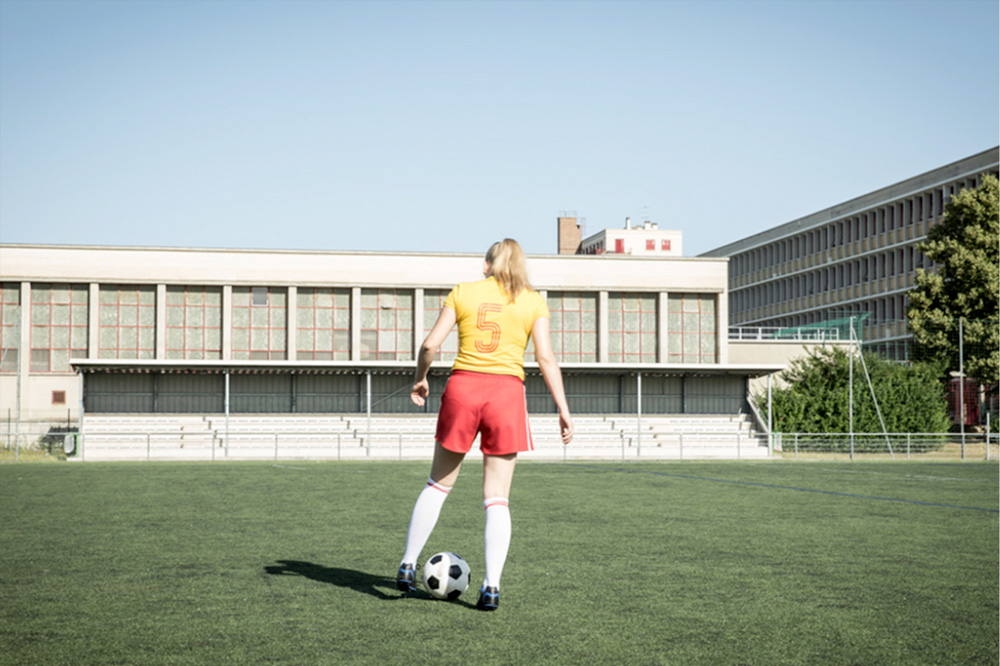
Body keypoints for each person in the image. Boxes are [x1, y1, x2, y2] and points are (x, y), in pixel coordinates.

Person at [395, 238, 574, 611]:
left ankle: (408, 565)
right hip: (507, 395)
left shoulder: (463, 292)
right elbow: (545, 357)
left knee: (437, 485)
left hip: (463, 388)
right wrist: (563, 408)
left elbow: (430, 345)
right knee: (497, 499)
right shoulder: (533, 301)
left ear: (487, 264)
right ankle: (491, 589)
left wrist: (421, 378)